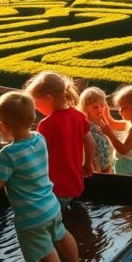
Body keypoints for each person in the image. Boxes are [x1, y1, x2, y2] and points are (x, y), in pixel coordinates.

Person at [0, 91, 82, 262]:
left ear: (3, 126)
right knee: (62, 234)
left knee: (49, 255)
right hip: (51, 205)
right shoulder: (39, 138)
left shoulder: (8, 154)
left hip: (32, 217)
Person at [25, 71, 96, 204]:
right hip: (76, 183)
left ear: (49, 99)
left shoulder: (47, 124)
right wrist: (87, 164)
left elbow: (38, 155)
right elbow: (90, 142)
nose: (36, 109)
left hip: (55, 188)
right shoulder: (79, 116)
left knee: (56, 221)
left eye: (37, 105)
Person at [77, 87, 114, 175]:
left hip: (106, 167)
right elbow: (85, 145)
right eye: (95, 107)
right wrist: (94, 164)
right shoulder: (86, 124)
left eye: (102, 106)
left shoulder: (102, 121)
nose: (100, 109)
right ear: (85, 107)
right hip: (95, 169)